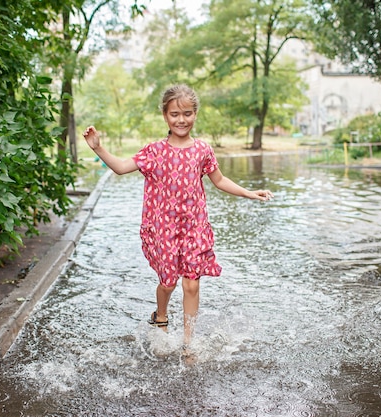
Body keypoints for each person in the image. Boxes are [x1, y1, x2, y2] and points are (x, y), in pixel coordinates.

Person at [83, 84, 273, 350]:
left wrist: (250, 193)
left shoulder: (203, 150)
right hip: (164, 230)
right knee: (168, 282)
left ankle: (188, 343)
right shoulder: (154, 151)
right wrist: (98, 148)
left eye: (187, 113)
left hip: (194, 227)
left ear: (195, 114)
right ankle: (161, 315)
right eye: (174, 114)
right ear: (165, 116)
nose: (181, 119)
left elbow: (220, 181)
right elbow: (121, 168)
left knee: (192, 286)